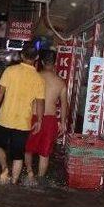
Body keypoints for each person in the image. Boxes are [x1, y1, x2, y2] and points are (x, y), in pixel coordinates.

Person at [0, 45, 46, 185]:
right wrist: (39, 121)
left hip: (5, 118)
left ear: (21, 56)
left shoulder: (10, 71)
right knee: (18, 154)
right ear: (36, 58)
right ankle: (14, 182)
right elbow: (40, 102)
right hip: (23, 122)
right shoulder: (39, 79)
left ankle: (4, 168)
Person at [24, 49, 68, 184]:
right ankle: (40, 178)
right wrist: (63, 122)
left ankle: (30, 173)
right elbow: (65, 105)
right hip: (50, 119)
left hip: (33, 116)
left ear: (41, 62)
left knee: (28, 148)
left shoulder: (34, 76)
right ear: (55, 63)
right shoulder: (60, 82)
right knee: (45, 153)